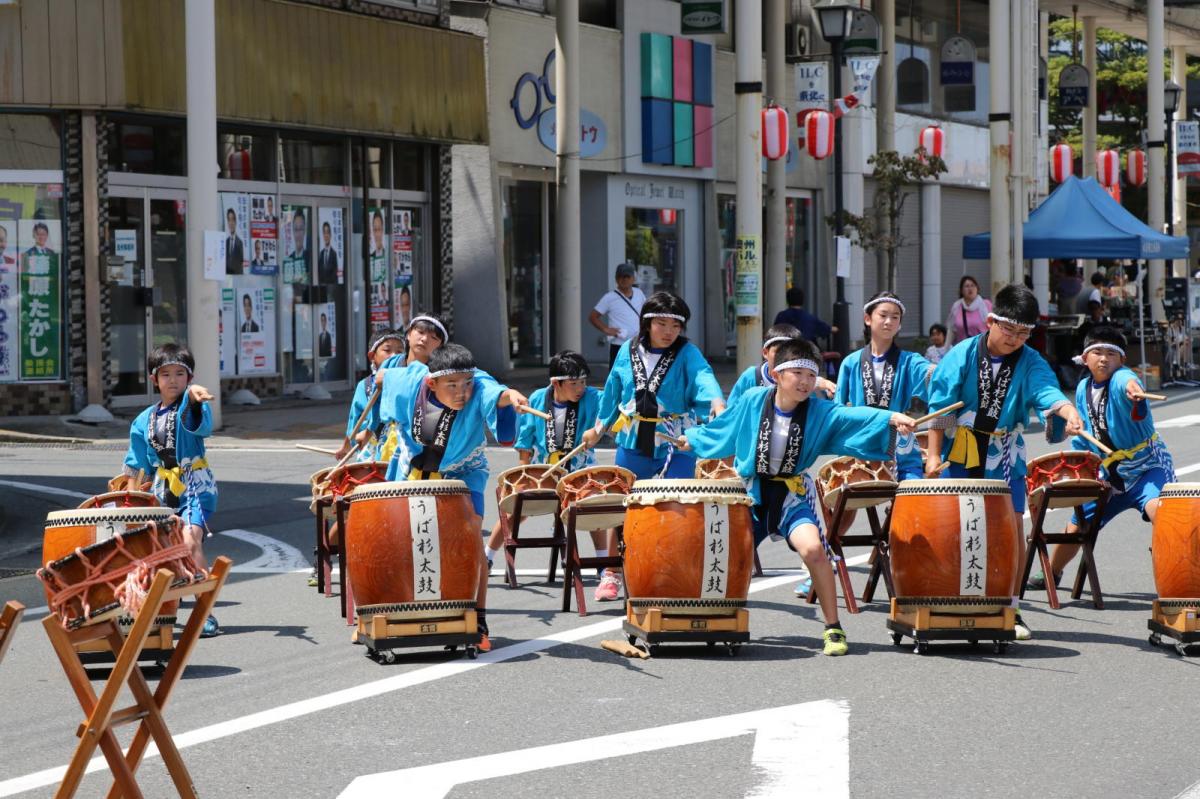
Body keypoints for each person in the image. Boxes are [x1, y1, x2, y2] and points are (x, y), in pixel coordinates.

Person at [678, 338, 916, 656]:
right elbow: (723, 429)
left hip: (791, 492)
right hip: (750, 492)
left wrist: (890, 418)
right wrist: (691, 438)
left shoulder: (819, 411)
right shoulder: (752, 400)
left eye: (810, 375)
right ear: (777, 374)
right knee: (730, 556)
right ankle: (719, 618)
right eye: (797, 373)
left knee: (815, 549)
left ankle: (833, 628)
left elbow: (853, 417)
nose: (805, 382)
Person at [925, 284, 1084, 640]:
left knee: (1011, 529)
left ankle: (1011, 607)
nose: (1014, 339)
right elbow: (940, 407)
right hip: (963, 449)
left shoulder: (1030, 361)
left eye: (1023, 332)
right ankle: (952, 600)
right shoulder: (962, 354)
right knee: (956, 528)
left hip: (1005, 452)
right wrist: (934, 453)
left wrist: (1067, 409)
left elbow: (1047, 391)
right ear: (991, 320)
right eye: (1009, 329)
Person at [382, 343, 529, 653]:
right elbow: (384, 380)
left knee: (471, 538)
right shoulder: (412, 383)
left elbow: (497, 393)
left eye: (466, 383)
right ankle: (383, 615)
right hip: (416, 471)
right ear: (432, 383)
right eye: (452, 385)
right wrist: (378, 380)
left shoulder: (479, 384)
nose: (462, 391)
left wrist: (510, 397)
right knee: (398, 542)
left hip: (465, 471)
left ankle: (479, 620)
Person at [1027, 327, 1175, 589]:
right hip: (1109, 476)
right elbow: (1084, 439)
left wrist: (1133, 388)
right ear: (1085, 358)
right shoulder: (1083, 388)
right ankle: (1052, 571)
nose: (1104, 358)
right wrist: (1074, 431)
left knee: (1164, 517)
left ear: (1121, 360)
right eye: (1097, 352)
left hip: (1147, 467)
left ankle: (1178, 576)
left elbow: (1127, 382)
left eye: (1111, 353)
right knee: (1077, 527)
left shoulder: (1122, 380)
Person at [482, 351, 621, 601]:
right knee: (516, 508)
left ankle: (603, 565)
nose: (580, 388)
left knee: (592, 504)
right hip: (544, 468)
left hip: (579, 467)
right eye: (573, 383)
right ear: (556, 383)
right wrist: (522, 475)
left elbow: (611, 411)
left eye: (583, 382)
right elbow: (525, 440)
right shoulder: (538, 398)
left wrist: (600, 428)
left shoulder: (592, 398)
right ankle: (487, 557)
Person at [119, 343, 220, 638]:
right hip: (162, 489)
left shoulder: (191, 405)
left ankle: (205, 613)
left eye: (180, 373)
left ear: (189, 377)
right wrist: (130, 501)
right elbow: (137, 466)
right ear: (154, 379)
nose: (173, 380)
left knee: (190, 541)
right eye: (165, 374)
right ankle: (156, 614)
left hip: (195, 484)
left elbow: (197, 418)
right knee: (156, 551)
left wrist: (197, 397)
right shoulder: (142, 421)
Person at [583, 292, 725, 480]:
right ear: (647, 324)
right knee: (632, 500)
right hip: (633, 436)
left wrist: (718, 404)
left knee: (676, 501)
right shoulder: (627, 349)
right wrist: (597, 430)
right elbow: (612, 393)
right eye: (662, 324)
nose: (669, 332)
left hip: (676, 439)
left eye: (676, 326)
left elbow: (703, 376)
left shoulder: (687, 352)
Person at [728, 323, 836, 407]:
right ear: (765, 353)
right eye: (778, 351)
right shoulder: (752, 376)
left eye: (791, 353)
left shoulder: (804, 381)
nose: (783, 358)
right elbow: (732, 410)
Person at [589, 263, 646, 367]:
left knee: (639, 373)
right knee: (617, 374)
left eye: (627, 276)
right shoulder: (609, 297)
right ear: (616, 279)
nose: (623, 279)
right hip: (619, 344)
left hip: (638, 342)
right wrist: (606, 329)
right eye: (620, 277)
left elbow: (645, 312)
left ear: (633, 279)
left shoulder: (639, 293)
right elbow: (593, 316)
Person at [945, 275, 991, 345]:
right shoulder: (957, 306)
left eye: (973, 285)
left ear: (977, 288)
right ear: (961, 290)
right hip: (963, 348)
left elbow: (993, 327)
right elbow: (951, 330)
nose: (970, 288)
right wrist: (946, 348)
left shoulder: (986, 304)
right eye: (967, 286)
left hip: (981, 348)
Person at [224, 208, 244, 275]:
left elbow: (241, 265)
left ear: (235, 222)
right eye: (229, 220)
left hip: (237, 277)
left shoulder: (240, 243)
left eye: (233, 219)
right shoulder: (226, 242)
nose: (231, 223)